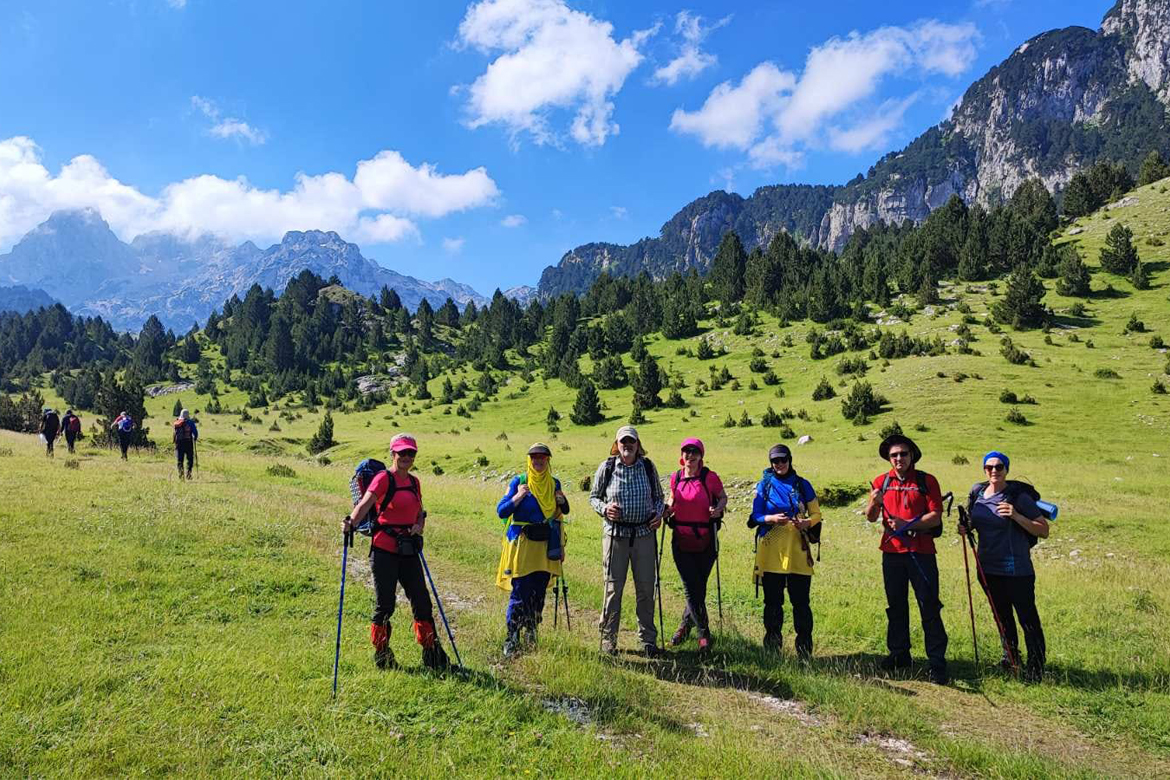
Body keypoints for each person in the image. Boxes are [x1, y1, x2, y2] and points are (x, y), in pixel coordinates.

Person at [344, 434, 448, 670]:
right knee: (385, 605)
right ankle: (382, 655)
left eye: (411, 453)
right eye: (402, 453)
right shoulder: (383, 479)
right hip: (384, 551)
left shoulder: (414, 482)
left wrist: (419, 526)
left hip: (409, 549)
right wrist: (350, 522)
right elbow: (364, 505)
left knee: (422, 602)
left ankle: (432, 654)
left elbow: (420, 511)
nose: (406, 457)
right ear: (392, 454)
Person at [864, 434, 949, 684]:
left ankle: (937, 662)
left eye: (903, 454)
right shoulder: (882, 482)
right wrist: (873, 502)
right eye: (894, 455)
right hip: (891, 554)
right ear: (889, 459)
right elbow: (870, 517)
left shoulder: (926, 481)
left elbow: (935, 516)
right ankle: (900, 654)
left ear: (912, 455)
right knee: (896, 605)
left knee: (929, 606)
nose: (899, 458)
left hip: (922, 553)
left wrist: (907, 524)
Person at [960, 451, 1049, 681]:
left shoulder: (1017, 498)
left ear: (1006, 469)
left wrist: (1017, 516)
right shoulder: (977, 493)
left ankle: (1036, 668)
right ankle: (1010, 658)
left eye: (999, 467)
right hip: (987, 567)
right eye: (989, 467)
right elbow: (974, 521)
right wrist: (965, 527)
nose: (994, 471)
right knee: (1002, 617)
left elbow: (1043, 529)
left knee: (1027, 619)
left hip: (1016, 570)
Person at [589, 425, 665, 657]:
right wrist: (605, 509)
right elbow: (593, 497)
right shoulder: (608, 467)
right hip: (615, 536)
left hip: (644, 535)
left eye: (631, 441)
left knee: (645, 589)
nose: (627, 445)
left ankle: (648, 641)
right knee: (613, 588)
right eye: (623, 441)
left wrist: (658, 514)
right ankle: (608, 640)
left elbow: (660, 498)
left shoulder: (649, 467)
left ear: (638, 445)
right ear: (617, 444)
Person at [495, 443, 570, 657]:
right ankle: (512, 636)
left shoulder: (554, 483)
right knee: (520, 591)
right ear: (529, 460)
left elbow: (559, 516)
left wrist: (561, 547)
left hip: (546, 546)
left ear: (548, 460)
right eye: (534, 457)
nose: (538, 461)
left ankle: (531, 631)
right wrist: (518, 497)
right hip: (523, 545)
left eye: (542, 458)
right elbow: (501, 511)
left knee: (539, 591)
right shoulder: (519, 481)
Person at [749, 444, 822, 658]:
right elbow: (755, 516)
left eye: (783, 460)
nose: (779, 464)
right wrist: (771, 519)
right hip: (771, 551)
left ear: (790, 459)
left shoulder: (803, 484)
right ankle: (772, 649)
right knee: (772, 602)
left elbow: (817, 514)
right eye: (775, 461)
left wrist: (807, 523)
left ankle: (804, 651)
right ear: (770, 463)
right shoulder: (764, 485)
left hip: (798, 551)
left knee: (801, 603)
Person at [663, 437, 727, 654]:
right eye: (686, 452)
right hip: (681, 540)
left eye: (694, 452)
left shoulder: (710, 477)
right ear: (681, 456)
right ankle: (704, 634)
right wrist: (668, 509)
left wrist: (717, 509)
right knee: (692, 588)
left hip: (706, 541)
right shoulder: (676, 477)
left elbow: (723, 497)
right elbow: (672, 499)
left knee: (698, 587)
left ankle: (683, 627)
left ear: (701, 456)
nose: (690, 456)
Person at [173, 409, 198, 480]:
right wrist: (195, 438)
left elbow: (174, 433)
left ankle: (181, 476)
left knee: (180, 460)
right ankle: (189, 474)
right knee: (190, 459)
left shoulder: (177, 422)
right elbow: (195, 433)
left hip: (179, 443)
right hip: (188, 443)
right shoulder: (190, 422)